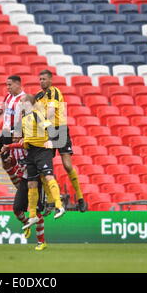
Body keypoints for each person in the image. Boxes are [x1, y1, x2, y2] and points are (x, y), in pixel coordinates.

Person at [35, 69, 87, 212]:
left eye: (44, 79)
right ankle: (51, 201)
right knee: (44, 167)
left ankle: (81, 198)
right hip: (46, 132)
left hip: (60, 130)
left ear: (50, 80)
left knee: (67, 165)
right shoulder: (39, 96)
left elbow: (50, 114)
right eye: (40, 79)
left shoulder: (55, 92)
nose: (42, 82)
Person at [19, 94, 65, 229]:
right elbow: (29, 134)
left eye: (22, 102)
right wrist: (25, 140)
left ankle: (59, 205)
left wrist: (51, 140)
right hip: (31, 153)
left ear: (28, 103)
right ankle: (32, 215)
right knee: (32, 183)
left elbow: (49, 127)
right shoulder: (24, 118)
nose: (20, 104)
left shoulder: (36, 114)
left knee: (48, 175)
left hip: (42, 151)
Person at [1, 137, 47, 251]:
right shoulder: (13, 148)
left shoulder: (26, 142)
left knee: (36, 212)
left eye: (17, 136)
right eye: (13, 136)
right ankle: (26, 223)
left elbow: (24, 146)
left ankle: (41, 242)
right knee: (16, 209)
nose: (15, 138)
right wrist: (8, 160)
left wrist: (10, 146)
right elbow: (14, 161)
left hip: (36, 179)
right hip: (25, 179)